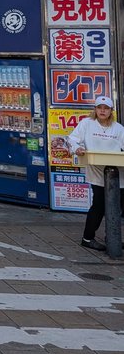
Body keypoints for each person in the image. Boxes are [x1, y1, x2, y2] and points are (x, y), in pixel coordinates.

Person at [67, 95, 124, 251]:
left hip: (117, 173)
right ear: (95, 109)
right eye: (99, 108)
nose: (102, 111)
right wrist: (76, 148)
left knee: (118, 206)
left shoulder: (118, 128)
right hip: (97, 171)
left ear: (111, 111)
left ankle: (112, 236)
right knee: (98, 205)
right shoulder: (87, 124)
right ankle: (88, 238)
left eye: (106, 108)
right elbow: (72, 139)